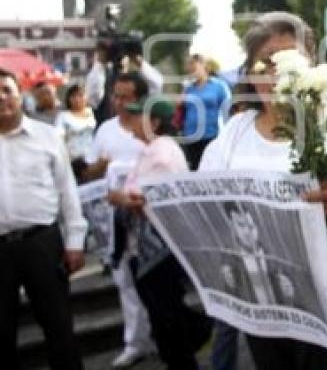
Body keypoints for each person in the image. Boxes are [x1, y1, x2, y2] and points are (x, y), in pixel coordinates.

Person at [201, 12, 327, 370]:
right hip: (266, 311)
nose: (275, 73)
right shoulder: (233, 134)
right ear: (248, 73)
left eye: (288, 60)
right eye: (263, 63)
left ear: (309, 67)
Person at [109, 95, 213, 370]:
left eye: (136, 117)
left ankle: (192, 344)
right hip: (150, 247)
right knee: (163, 314)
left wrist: (119, 198)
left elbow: (144, 201)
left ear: (154, 122)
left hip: (160, 249)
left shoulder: (162, 154)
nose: (130, 123)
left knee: (167, 316)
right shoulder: (152, 150)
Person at [0, 68, 87, 370]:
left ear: (19, 96)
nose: (1, 98)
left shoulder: (48, 137)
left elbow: (68, 190)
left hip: (42, 242)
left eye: (6, 90)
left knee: (59, 326)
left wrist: (76, 240)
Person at [82, 71, 158, 368]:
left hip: (150, 219)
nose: (119, 102)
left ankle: (160, 336)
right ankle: (135, 342)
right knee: (125, 279)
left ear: (139, 99)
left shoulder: (149, 129)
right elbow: (90, 173)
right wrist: (100, 166)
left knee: (154, 279)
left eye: (126, 96)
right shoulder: (105, 130)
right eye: (116, 95)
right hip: (115, 220)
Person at [181, 54, 231, 170]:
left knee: (210, 167)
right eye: (190, 69)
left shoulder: (218, 86)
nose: (192, 71)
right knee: (193, 168)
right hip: (191, 135)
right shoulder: (189, 88)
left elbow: (226, 109)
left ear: (204, 67)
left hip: (210, 134)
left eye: (195, 67)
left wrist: (227, 132)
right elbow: (180, 106)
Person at [56, 84, 97, 182]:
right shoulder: (63, 116)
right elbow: (59, 138)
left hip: (93, 161)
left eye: (80, 95)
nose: (77, 99)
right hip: (73, 162)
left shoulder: (93, 113)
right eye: (73, 96)